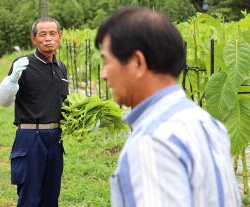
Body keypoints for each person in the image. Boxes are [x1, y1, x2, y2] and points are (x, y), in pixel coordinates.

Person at [95, 6, 241, 207]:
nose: (103, 74)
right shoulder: (208, 124)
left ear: (138, 62)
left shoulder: (151, 141)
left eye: (107, 61)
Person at [0, 17, 68, 207]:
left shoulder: (61, 68)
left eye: (53, 33)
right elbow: (3, 101)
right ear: (33, 39)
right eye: (42, 34)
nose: (48, 38)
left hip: (55, 138)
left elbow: (63, 104)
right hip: (30, 138)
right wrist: (11, 80)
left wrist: (86, 121)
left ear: (60, 36)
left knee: (51, 196)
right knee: (30, 197)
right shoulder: (24, 64)